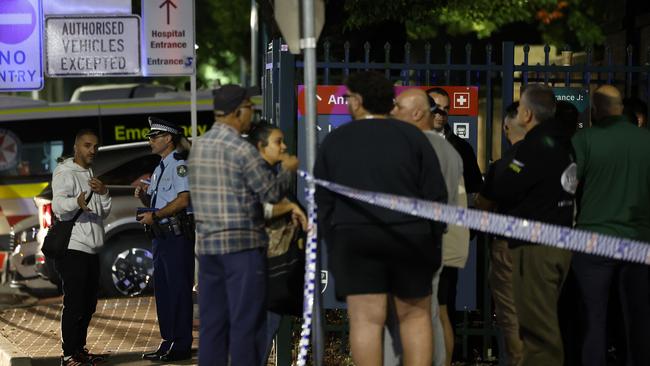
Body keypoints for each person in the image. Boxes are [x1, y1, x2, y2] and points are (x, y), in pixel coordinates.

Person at [314, 71, 447, 366]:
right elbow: (436, 196)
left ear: (359, 101)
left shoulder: (336, 140)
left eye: (348, 97)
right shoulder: (414, 137)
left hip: (355, 238)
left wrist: (336, 242)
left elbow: (323, 201)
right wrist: (432, 239)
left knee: (365, 321)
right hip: (411, 238)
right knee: (415, 317)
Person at [188, 85, 299, 366]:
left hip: (209, 249)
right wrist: (287, 170)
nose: (253, 113)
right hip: (242, 249)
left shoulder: (198, 147)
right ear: (238, 111)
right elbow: (271, 193)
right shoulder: (241, 149)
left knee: (212, 325)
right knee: (245, 324)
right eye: (250, 107)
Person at [491, 84, 575, 366]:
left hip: (534, 247)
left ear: (526, 114)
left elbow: (504, 186)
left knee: (537, 334)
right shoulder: (563, 142)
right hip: (559, 242)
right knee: (546, 324)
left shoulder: (533, 146)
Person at [388, 87, 467, 366]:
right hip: (431, 243)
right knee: (428, 313)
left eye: (398, 108)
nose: (393, 112)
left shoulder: (439, 149)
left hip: (420, 243)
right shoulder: (446, 150)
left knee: (422, 315)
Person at [571, 85, 650, 366]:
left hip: (594, 239)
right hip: (639, 239)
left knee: (593, 320)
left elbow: (569, 184)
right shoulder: (646, 140)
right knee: (638, 319)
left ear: (597, 109)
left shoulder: (585, 139)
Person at [426, 86, 482, 366]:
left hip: (446, 239)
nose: (442, 112)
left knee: (443, 308)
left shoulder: (461, 148)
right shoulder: (411, 143)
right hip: (414, 238)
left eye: (446, 108)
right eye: (435, 106)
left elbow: (475, 193)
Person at [246, 122, 307, 365]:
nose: (284, 147)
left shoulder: (268, 170)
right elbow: (261, 207)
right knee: (260, 335)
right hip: (261, 267)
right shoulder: (256, 173)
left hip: (273, 265)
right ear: (261, 146)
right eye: (277, 142)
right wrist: (290, 204)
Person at [136, 117, 195, 362]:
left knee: (179, 290)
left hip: (176, 236)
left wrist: (155, 215)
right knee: (164, 291)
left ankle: (180, 344)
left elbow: (183, 200)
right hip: (161, 237)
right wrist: (143, 199)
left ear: (168, 138)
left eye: (154, 136)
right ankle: (168, 340)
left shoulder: (179, 165)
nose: (150, 141)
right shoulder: (160, 168)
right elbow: (157, 203)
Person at [51, 129, 111, 366]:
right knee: (75, 302)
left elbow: (103, 211)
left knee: (88, 304)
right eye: (87, 146)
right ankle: (68, 356)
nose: (92, 151)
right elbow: (58, 206)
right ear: (76, 147)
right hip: (74, 247)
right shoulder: (64, 172)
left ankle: (78, 350)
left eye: (95, 146)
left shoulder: (90, 173)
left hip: (92, 247)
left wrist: (104, 193)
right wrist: (74, 202)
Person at [475, 102, 525, 366]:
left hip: (510, 245)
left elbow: (483, 203)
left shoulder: (506, 164)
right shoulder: (558, 155)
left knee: (511, 313)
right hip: (553, 244)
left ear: (506, 128)